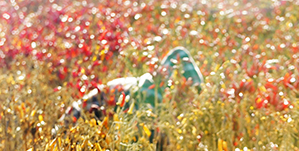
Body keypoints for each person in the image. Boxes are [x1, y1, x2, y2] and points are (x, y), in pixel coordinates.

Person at [60, 47, 203, 124]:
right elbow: (141, 139)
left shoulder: (146, 83)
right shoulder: (149, 95)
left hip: (80, 123)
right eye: (187, 92)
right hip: (72, 126)